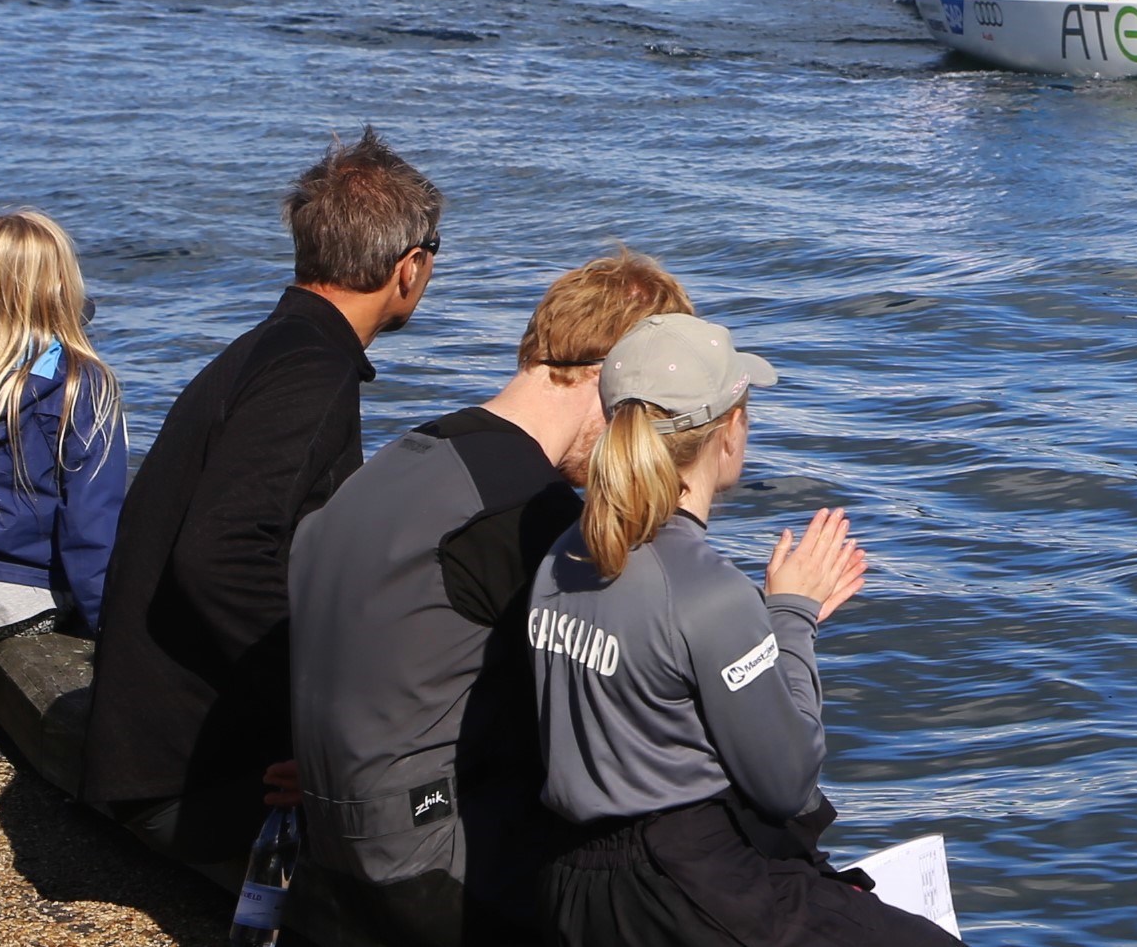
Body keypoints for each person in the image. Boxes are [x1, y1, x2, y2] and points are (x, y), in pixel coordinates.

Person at [287, 252, 693, 947]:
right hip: (428, 874)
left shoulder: (410, 453)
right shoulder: (527, 512)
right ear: (607, 378)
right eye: (650, 407)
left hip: (325, 852)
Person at [85, 130, 440, 885]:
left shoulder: (274, 348)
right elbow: (219, 556)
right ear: (409, 266)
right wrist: (320, 715)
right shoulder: (308, 373)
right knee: (444, 801)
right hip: (183, 779)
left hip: (153, 745)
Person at [530, 316, 954, 946]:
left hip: (571, 878)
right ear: (728, 433)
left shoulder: (562, 555)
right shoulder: (706, 589)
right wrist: (791, 618)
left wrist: (757, 625)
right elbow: (787, 784)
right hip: (683, 884)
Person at [0, 211, 127, 640]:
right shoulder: (81, 383)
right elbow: (90, 528)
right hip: (22, 594)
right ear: (62, 283)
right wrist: (109, 628)